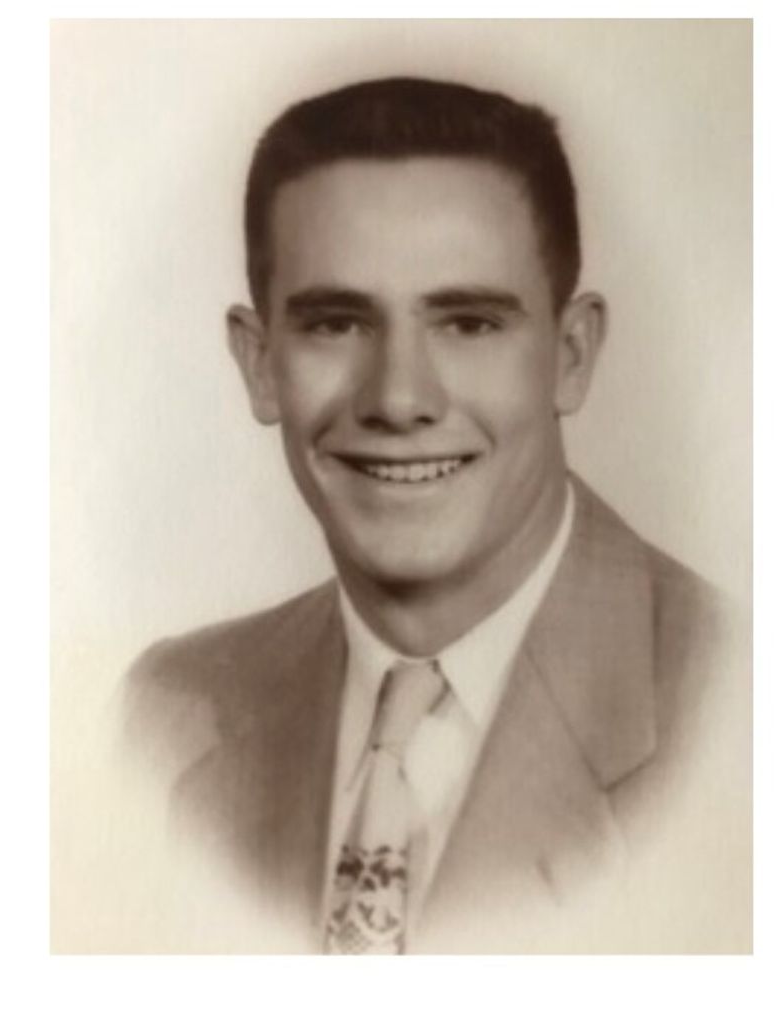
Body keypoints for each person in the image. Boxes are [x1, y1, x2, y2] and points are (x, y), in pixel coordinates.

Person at [124, 77, 742, 954]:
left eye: (469, 324)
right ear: (259, 365)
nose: (398, 398)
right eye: (336, 324)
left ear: (570, 356)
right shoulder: (164, 713)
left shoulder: (740, 715)